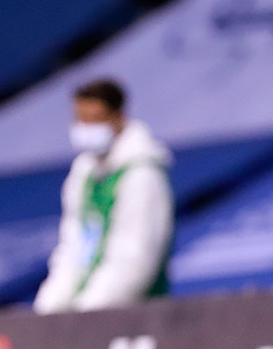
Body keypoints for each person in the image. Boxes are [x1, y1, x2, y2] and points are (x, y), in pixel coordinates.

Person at [33, 79, 174, 314]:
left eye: (95, 120)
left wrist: (86, 316)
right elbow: (72, 248)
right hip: (85, 316)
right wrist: (48, 311)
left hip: (133, 318)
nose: (86, 128)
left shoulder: (142, 175)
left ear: (118, 118)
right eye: (81, 119)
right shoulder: (83, 173)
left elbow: (134, 261)